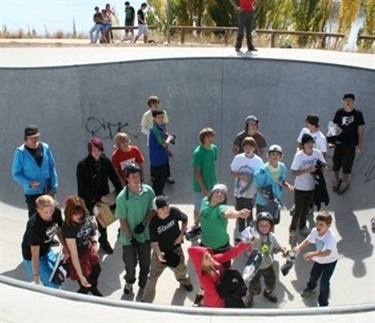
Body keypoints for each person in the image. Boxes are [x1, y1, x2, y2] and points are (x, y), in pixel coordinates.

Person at [115, 163, 155, 301]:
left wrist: (144, 223)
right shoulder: (122, 198)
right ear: (126, 178)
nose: (137, 178)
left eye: (138, 175)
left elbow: (153, 209)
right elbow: (122, 219)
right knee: (130, 265)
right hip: (129, 239)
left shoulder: (148, 191)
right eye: (133, 176)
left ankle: (143, 285)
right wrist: (131, 237)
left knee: (145, 264)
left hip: (145, 236)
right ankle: (129, 282)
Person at [76, 136, 122, 254]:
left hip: (103, 198)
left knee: (103, 221)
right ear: (90, 151)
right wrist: (99, 198)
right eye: (94, 151)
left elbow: (114, 178)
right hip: (88, 200)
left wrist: (121, 192)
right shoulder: (82, 165)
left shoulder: (105, 161)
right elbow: (83, 187)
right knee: (88, 223)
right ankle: (88, 244)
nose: (97, 153)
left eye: (99, 150)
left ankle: (103, 241)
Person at [142, 195, 193, 303]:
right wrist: (159, 254)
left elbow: (185, 220)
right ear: (156, 211)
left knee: (181, 270)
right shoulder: (153, 224)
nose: (166, 210)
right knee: (152, 277)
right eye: (163, 209)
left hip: (176, 249)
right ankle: (146, 301)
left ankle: (185, 282)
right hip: (160, 253)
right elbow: (154, 243)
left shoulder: (174, 212)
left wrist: (181, 235)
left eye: (167, 206)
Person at [188, 239, 255, 307]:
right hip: (218, 303)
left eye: (209, 254)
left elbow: (230, 254)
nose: (210, 258)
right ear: (200, 263)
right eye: (206, 257)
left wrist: (246, 243)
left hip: (225, 293)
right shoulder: (204, 279)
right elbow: (215, 296)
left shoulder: (214, 259)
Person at [21, 195, 68, 288]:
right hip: (33, 257)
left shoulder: (57, 212)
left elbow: (58, 230)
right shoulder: (34, 226)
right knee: (53, 284)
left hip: (47, 250)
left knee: (60, 275)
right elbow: (34, 254)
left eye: (51, 210)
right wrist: (36, 275)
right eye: (45, 212)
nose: (49, 214)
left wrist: (66, 248)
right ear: (38, 210)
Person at [12, 125, 58, 219]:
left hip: (46, 190)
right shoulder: (20, 152)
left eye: (36, 137)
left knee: (49, 217)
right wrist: (29, 183)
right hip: (32, 193)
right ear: (26, 138)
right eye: (31, 138)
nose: (34, 140)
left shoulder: (45, 147)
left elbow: (52, 167)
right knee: (35, 218)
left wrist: (54, 187)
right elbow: (16, 174)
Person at [293, 211, 338, 307]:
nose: (318, 226)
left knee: (324, 283)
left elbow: (327, 252)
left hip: (330, 261)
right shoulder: (315, 231)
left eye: (321, 224)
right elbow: (308, 240)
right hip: (319, 260)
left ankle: (323, 303)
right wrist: (299, 247)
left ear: (328, 225)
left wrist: (313, 254)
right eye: (317, 223)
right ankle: (310, 287)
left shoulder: (331, 237)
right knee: (313, 276)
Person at [242, 212, 287, 307]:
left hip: (267, 265)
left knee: (271, 282)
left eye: (267, 225)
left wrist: (282, 248)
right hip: (255, 267)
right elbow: (247, 247)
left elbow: (277, 245)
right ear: (257, 225)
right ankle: (250, 296)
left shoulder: (271, 236)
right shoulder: (253, 236)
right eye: (261, 225)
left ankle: (268, 292)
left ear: (271, 226)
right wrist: (251, 243)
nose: (264, 227)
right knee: (254, 286)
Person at [289, 134, 327, 246]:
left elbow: (324, 164)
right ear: (303, 145)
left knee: (306, 209)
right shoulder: (299, 156)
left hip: (312, 186)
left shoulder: (317, 153)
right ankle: (292, 228)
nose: (310, 145)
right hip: (300, 187)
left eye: (311, 142)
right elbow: (294, 172)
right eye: (308, 143)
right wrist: (308, 170)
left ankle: (302, 226)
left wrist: (324, 167)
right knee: (298, 209)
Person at [62, 196, 102, 296]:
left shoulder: (86, 214)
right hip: (79, 256)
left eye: (80, 213)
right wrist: (80, 276)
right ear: (69, 214)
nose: (79, 216)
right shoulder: (68, 227)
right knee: (85, 277)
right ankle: (84, 290)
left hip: (88, 248)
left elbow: (93, 229)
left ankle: (93, 288)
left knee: (96, 270)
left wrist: (95, 242)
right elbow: (74, 253)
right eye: (75, 214)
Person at [230, 137, 264, 241]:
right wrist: (241, 176)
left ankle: (250, 235)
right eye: (246, 147)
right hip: (239, 191)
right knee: (240, 212)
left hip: (251, 192)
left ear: (254, 148)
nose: (248, 149)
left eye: (250, 147)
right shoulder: (238, 158)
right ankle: (241, 234)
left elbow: (261, 176)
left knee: (248, 213)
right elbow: (232, 172)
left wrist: (253, 179)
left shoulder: (258, 161)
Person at [331, 93, 365, 195]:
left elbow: (360, 128)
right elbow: (334, 127)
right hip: (339, 142)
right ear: (344, 101)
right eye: (346, 100)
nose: (348, 102)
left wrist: (360, 142)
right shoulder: (339, 112)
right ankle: (336, 179)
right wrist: (331, 141)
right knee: (336, 161)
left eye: (350, 100)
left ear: (354, 102)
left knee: (347, 163)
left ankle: (345, 182)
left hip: (350, 144)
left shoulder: (358, 114)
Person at [254, 144, 294, 228]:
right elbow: (258, 186)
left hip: (275, 201)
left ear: (281, 156)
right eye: (273, 154)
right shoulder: (262, 170)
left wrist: (288, 185)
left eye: (277, 154)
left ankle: (270, 241)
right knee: (261, 224)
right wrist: (267, 195)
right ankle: (261, 241)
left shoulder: (282, 167)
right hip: (263, 202)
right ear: (268, 156)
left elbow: (281, 181)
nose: (275, 156)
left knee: (272, 223)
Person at [140, 95, 174, 184]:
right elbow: (143, 128)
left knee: (165, 156)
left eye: (157, 103)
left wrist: (167, 135)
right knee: (154, 157)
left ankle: (167, 175)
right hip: (152, 140)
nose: (155, 105)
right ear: (150, 104)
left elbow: (164, 125)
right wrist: (152, 134)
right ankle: (154, 176)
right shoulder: (146, 115)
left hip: (162, 138)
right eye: (153, 103)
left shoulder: (162, 112)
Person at [192, 127, 218, 226]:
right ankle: (196, 226)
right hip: (199, 187)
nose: (211, 138)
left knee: (212, 206)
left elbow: (212, 164)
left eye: (212, 136)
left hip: (212, 184)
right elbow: (197, 172)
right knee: (198, 208)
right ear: (203, 138)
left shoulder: (214, 148)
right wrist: (203, 188)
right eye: (208, 137)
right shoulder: (198, 153)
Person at [149, 109, 175, 196]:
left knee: (163, 178)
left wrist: (167, 152)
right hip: (158, 160)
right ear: (154, 119)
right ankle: (155, 197)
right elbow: (164, 144)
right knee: (159, 180)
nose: (161, 119)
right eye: (159, 117)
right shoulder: (155, 130)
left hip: (163, 158)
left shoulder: (162, 128)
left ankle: (159, 193)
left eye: (162, 117)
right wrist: (170, 138)